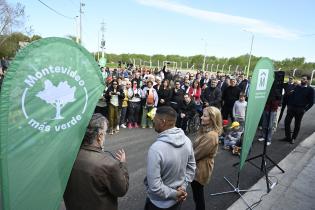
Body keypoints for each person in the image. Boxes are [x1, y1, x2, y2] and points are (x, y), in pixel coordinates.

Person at [64, 113, 129, 210]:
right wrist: (122, 165)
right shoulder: (109, 164)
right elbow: (121, 190)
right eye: (105, 132)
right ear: (100, 135)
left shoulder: (68, 158)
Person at [144, 106, 196, 210]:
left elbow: (154, 187)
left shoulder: (156, 149)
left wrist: (176, 194)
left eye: (155, 118)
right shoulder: (187, 140)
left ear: (162, 121)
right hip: (177, 200)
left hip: (157, 203)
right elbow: (192, 168)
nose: (153, 120)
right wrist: (183, 187)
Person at [191, 106, 222, 210]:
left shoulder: (211, 136)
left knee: (198, 196)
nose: (201, 117)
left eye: (204, 116)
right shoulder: (206, 130)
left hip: (201, 169)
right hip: (198, 167)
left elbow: (196, 154)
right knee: (197, 195)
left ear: (212, 119)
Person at [282, 75, 314, 144]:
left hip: (300, 109)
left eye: (304, 79)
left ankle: (293, 138)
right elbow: (292, 95)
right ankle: (288, 137)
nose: (302, 80)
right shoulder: (297, 87)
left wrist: (305, 109)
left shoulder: (310, 90)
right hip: (291, 108)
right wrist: (290, 104)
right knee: (286, 122)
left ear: (307, 80)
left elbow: (312, 102)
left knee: (297, 124)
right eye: (302, 79)